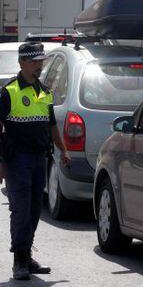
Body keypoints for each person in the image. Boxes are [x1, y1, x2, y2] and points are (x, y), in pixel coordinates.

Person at [0, 42, 70, 280]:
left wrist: (63, 150)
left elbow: (51, 125)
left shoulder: (44, 92)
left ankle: (26, 256)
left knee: (33, 211)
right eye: (34, 61)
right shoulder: (9, 92)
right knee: (21, 211)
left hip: (39, 158)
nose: (38, 66)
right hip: (16, 160)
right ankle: (19, 261)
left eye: (41, 61)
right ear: (22, 63)